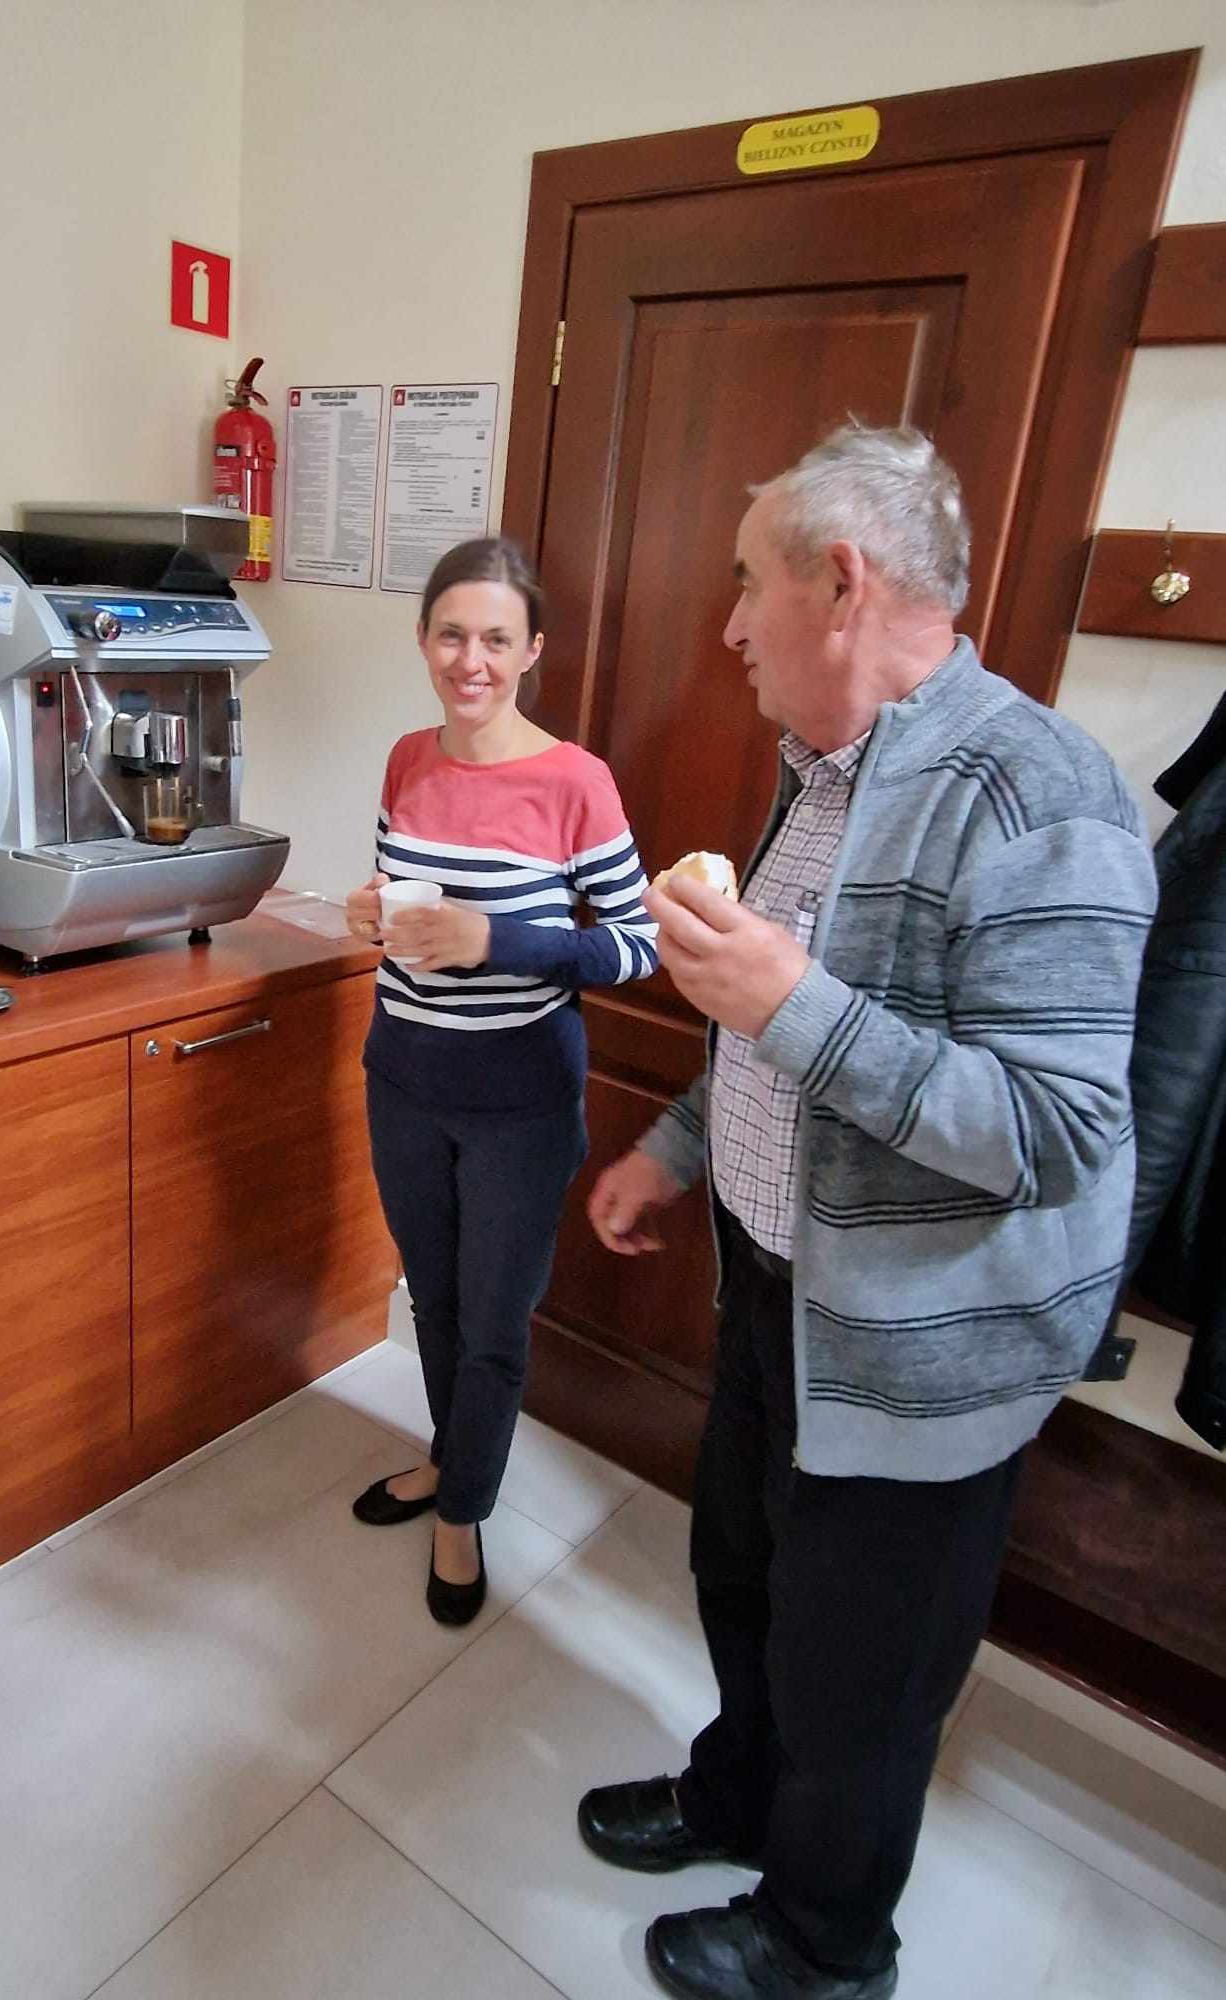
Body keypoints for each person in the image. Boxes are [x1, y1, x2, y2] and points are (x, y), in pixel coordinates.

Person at [575, 424, 1156, 2000]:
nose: (729, 627)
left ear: (842, 583)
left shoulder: (1045, 794)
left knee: (864, 1677)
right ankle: (737, 1797)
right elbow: (774, 1037)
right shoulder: (818, 778)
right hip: (777, 1293)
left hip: (921, 1352)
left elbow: (1053, 1130)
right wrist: (678, 1146)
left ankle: (827, 1945)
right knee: (743, 1579)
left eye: (746, 585)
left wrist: (796, 1002)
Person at [345, 536, 658, 1626]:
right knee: (432, 1297)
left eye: (494, 638)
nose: (469, 660)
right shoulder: (406, 759)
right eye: (450, 635)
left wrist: (497, 940)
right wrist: (370, 911)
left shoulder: (576, 780)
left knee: (492, 1320)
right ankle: (451, 1455)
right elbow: (397, 891)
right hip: (402, 1074)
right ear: (423, 639)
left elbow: (635, 946)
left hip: (519, 1100)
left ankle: (462, 1509)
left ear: (532, 650)